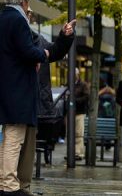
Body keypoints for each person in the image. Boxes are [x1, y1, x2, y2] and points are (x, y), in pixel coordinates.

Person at [17, 10, 75, 194]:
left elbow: (55, 51)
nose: (29, 17)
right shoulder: (11, 37)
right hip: (14, 100)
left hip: (33, 102)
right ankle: (9, 185)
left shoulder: (36, 38)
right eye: (27, 13)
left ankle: (23, 187)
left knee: (27, 148)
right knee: (11, 145)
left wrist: (64, 36)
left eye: (29, 15)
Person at [0, 0, 50, 195]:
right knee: (14, 138)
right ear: (24, 1)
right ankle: (8, 185)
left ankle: (5, 181)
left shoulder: (2, 18)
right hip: (17, 88)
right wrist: (43, 54)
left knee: (7, 137)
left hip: (5, 85)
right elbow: (27, 50)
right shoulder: (18, 20)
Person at [73, 68, 89, 160]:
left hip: (80, 112)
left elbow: (86, 96)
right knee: (70, 133)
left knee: (79, 133)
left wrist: (75, 100)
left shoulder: (83, 85)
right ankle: (71, 151)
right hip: (71, 112)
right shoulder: (69, 84)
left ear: (78, 74)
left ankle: (78, 153)